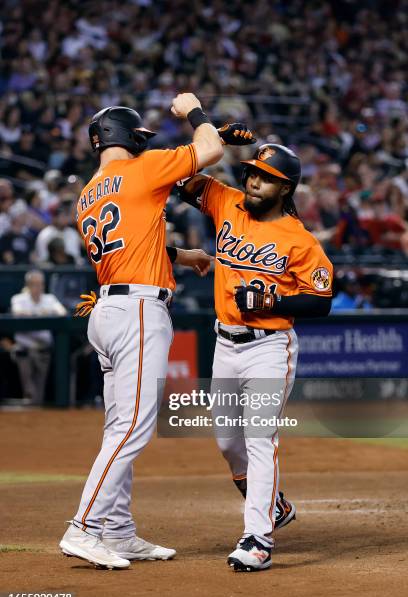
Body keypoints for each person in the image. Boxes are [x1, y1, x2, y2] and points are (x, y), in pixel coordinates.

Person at [59, 96, 224, 570]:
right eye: (137, 137)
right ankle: (84, 526)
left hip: (109, 308)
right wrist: (194, 110)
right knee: (133, 426)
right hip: (136, 312)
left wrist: (177, 255)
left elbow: (127, 246)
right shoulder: (143, 168)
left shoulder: (89, 191)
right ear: (124, 137)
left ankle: (119, 531)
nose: (141, 144)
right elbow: (210, 148)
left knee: (119, 426)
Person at [178, 143, 333, 571]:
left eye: (264, 176)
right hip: (225, 344)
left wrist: (274, 301)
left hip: (269, 346)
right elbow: (177, 179)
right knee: (229, 444)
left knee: (259, 440)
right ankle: (276, 507)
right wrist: (211, 136)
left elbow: (321, 301)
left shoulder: (300, 240)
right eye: (250, 172)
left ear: (285, 188)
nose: (253, 179)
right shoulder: (227, 201)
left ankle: (258, 539)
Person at [10, 270, 66, 403]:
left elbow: (62, 312)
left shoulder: (49, 299)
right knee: (29, 391)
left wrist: (38, 313)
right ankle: (28, 405)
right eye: (34, 284)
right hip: (24, 350)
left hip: (43, 350)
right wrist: (42, 313)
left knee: (39, 392)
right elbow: (18, 313)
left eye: (40, 284)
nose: (38, 287)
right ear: (28, 285)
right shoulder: (18, 298)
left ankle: (36, 410)